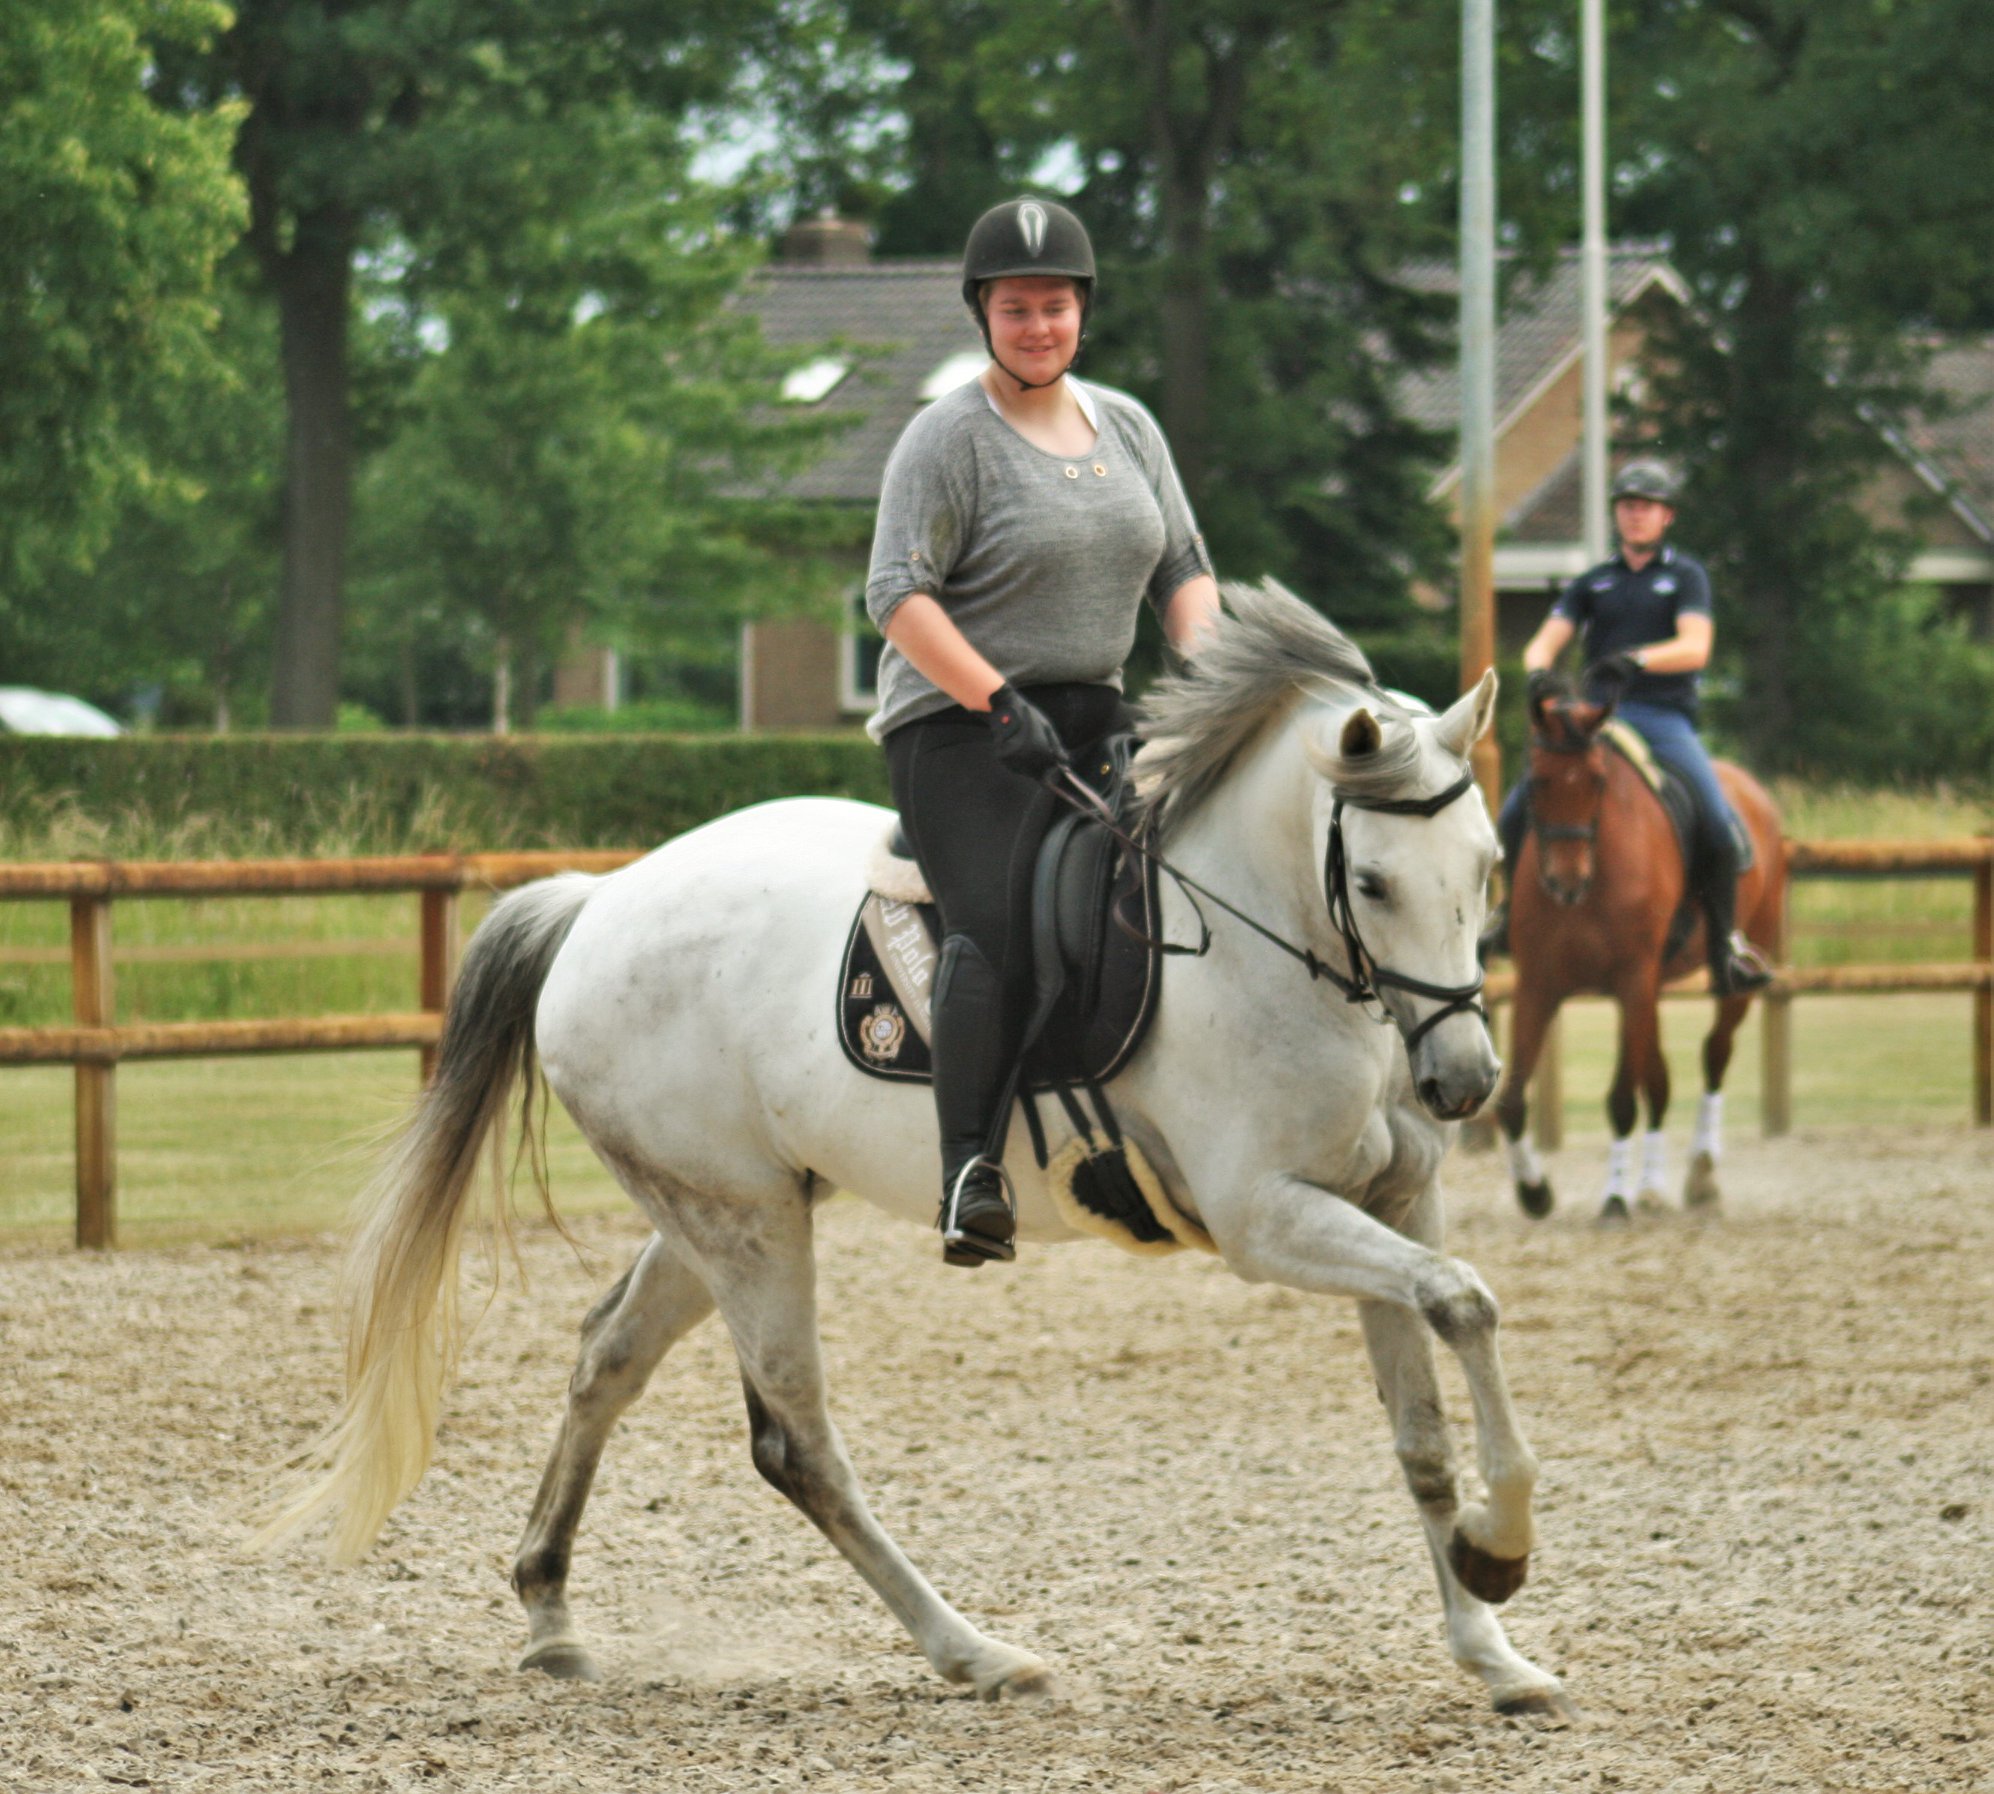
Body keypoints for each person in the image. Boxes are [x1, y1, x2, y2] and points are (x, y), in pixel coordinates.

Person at [864, 196, 1222, 1267]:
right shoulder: (945, 439)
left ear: (1082, 313)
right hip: (956, 725)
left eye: (1055, 307)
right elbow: (895, 594)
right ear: (983, 314)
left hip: (1091, 708)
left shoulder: (1129, 429)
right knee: (1004, 915)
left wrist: (1211, 686)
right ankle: (968, 1171)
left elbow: (1184, 572)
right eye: (1016, 309)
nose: (1037, 327)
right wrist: (990, 699)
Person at [1481, 459, 1772, 997]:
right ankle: (1502, 917)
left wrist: (1635, 660)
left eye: (1646, 507)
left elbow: (1695, 646)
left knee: (1716, 821)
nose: (1635, 515)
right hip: (1597, 720)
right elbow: (1544, 640)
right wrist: (1541, 674)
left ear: (1667, 516)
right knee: (1516, 810)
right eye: (1627, 506)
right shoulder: (1596, 581)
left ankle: (1725, 946)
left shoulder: (1685, 576)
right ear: (1617, 514)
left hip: (1664, 719)